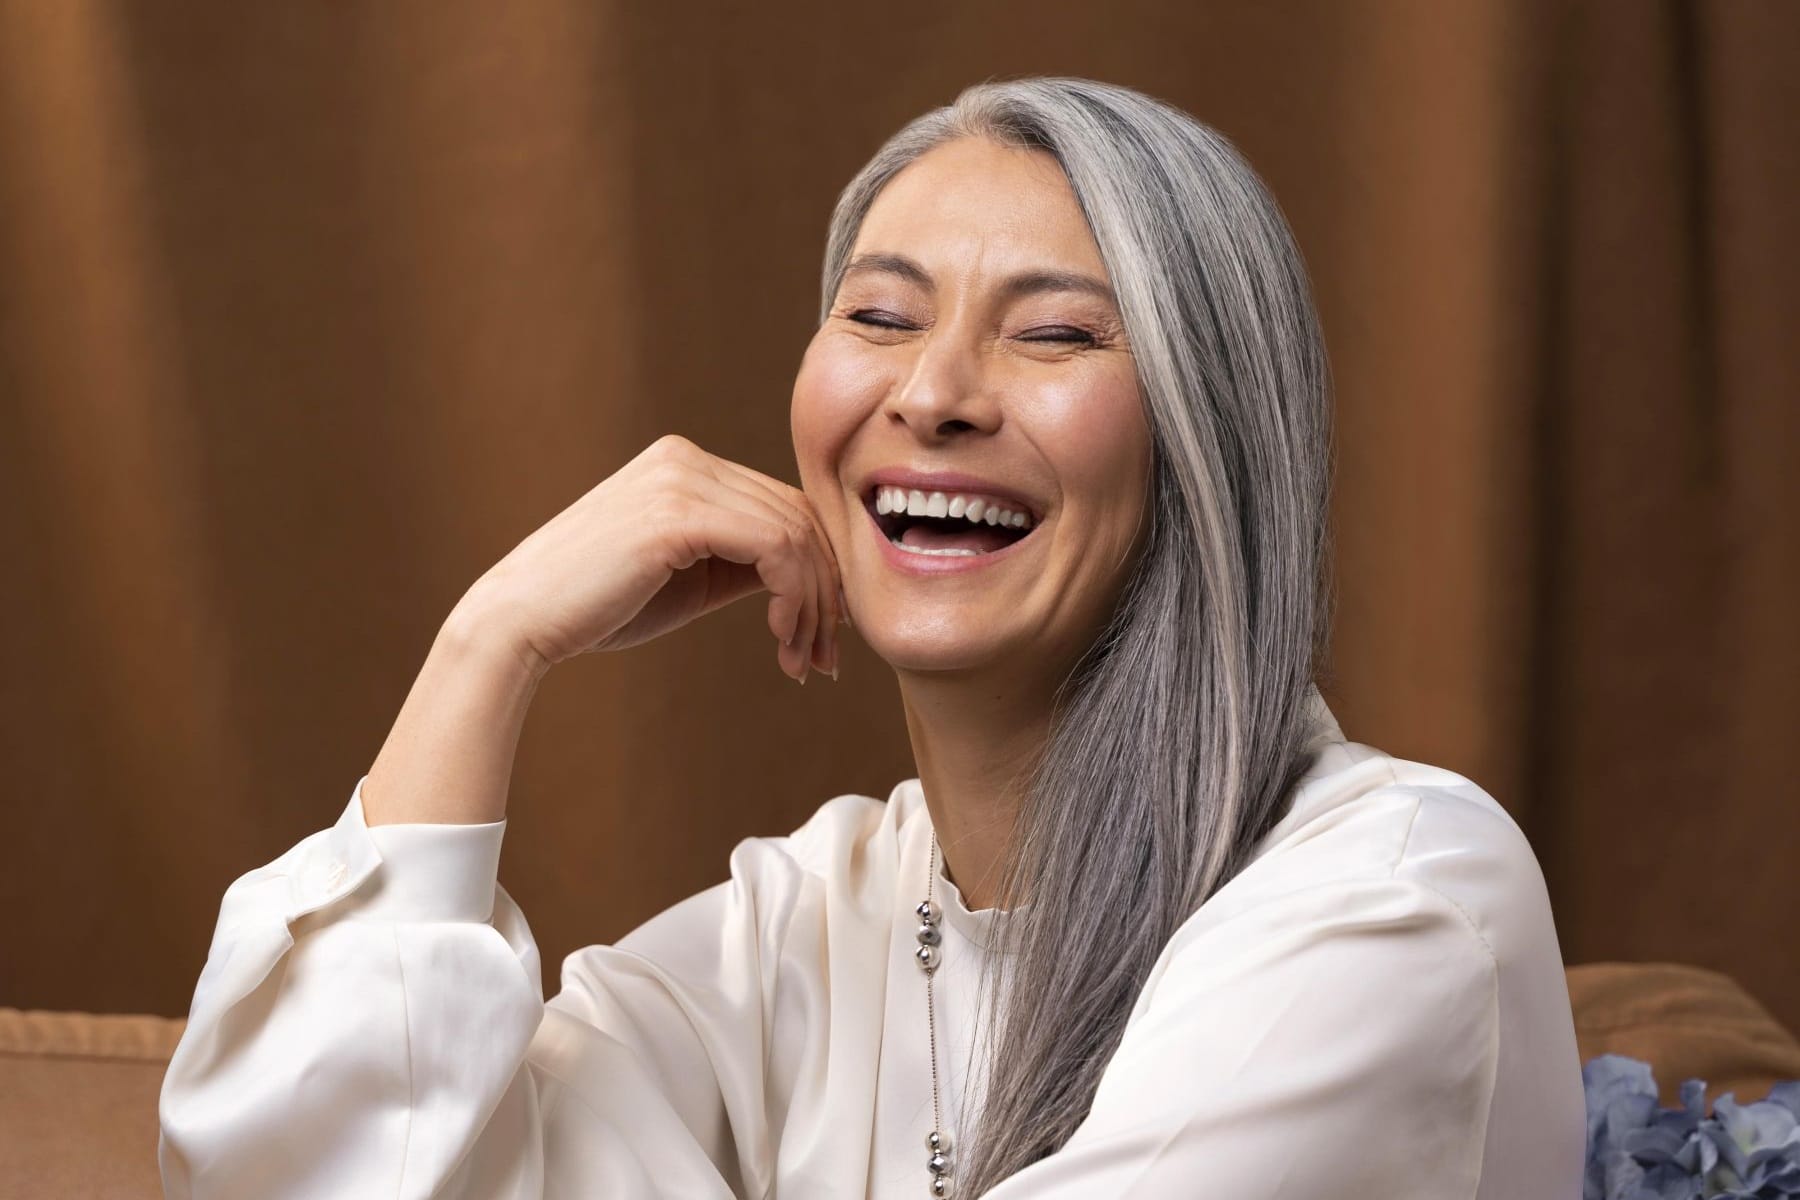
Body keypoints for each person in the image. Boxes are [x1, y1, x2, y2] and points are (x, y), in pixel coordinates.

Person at [158, 76, 1587, 1198]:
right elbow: (321, 1175)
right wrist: (490, 643)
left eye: (1058, 334)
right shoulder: (807, 924)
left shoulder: (1395, 899)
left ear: (1212, 442)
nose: (936, 392)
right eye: (881, 316)